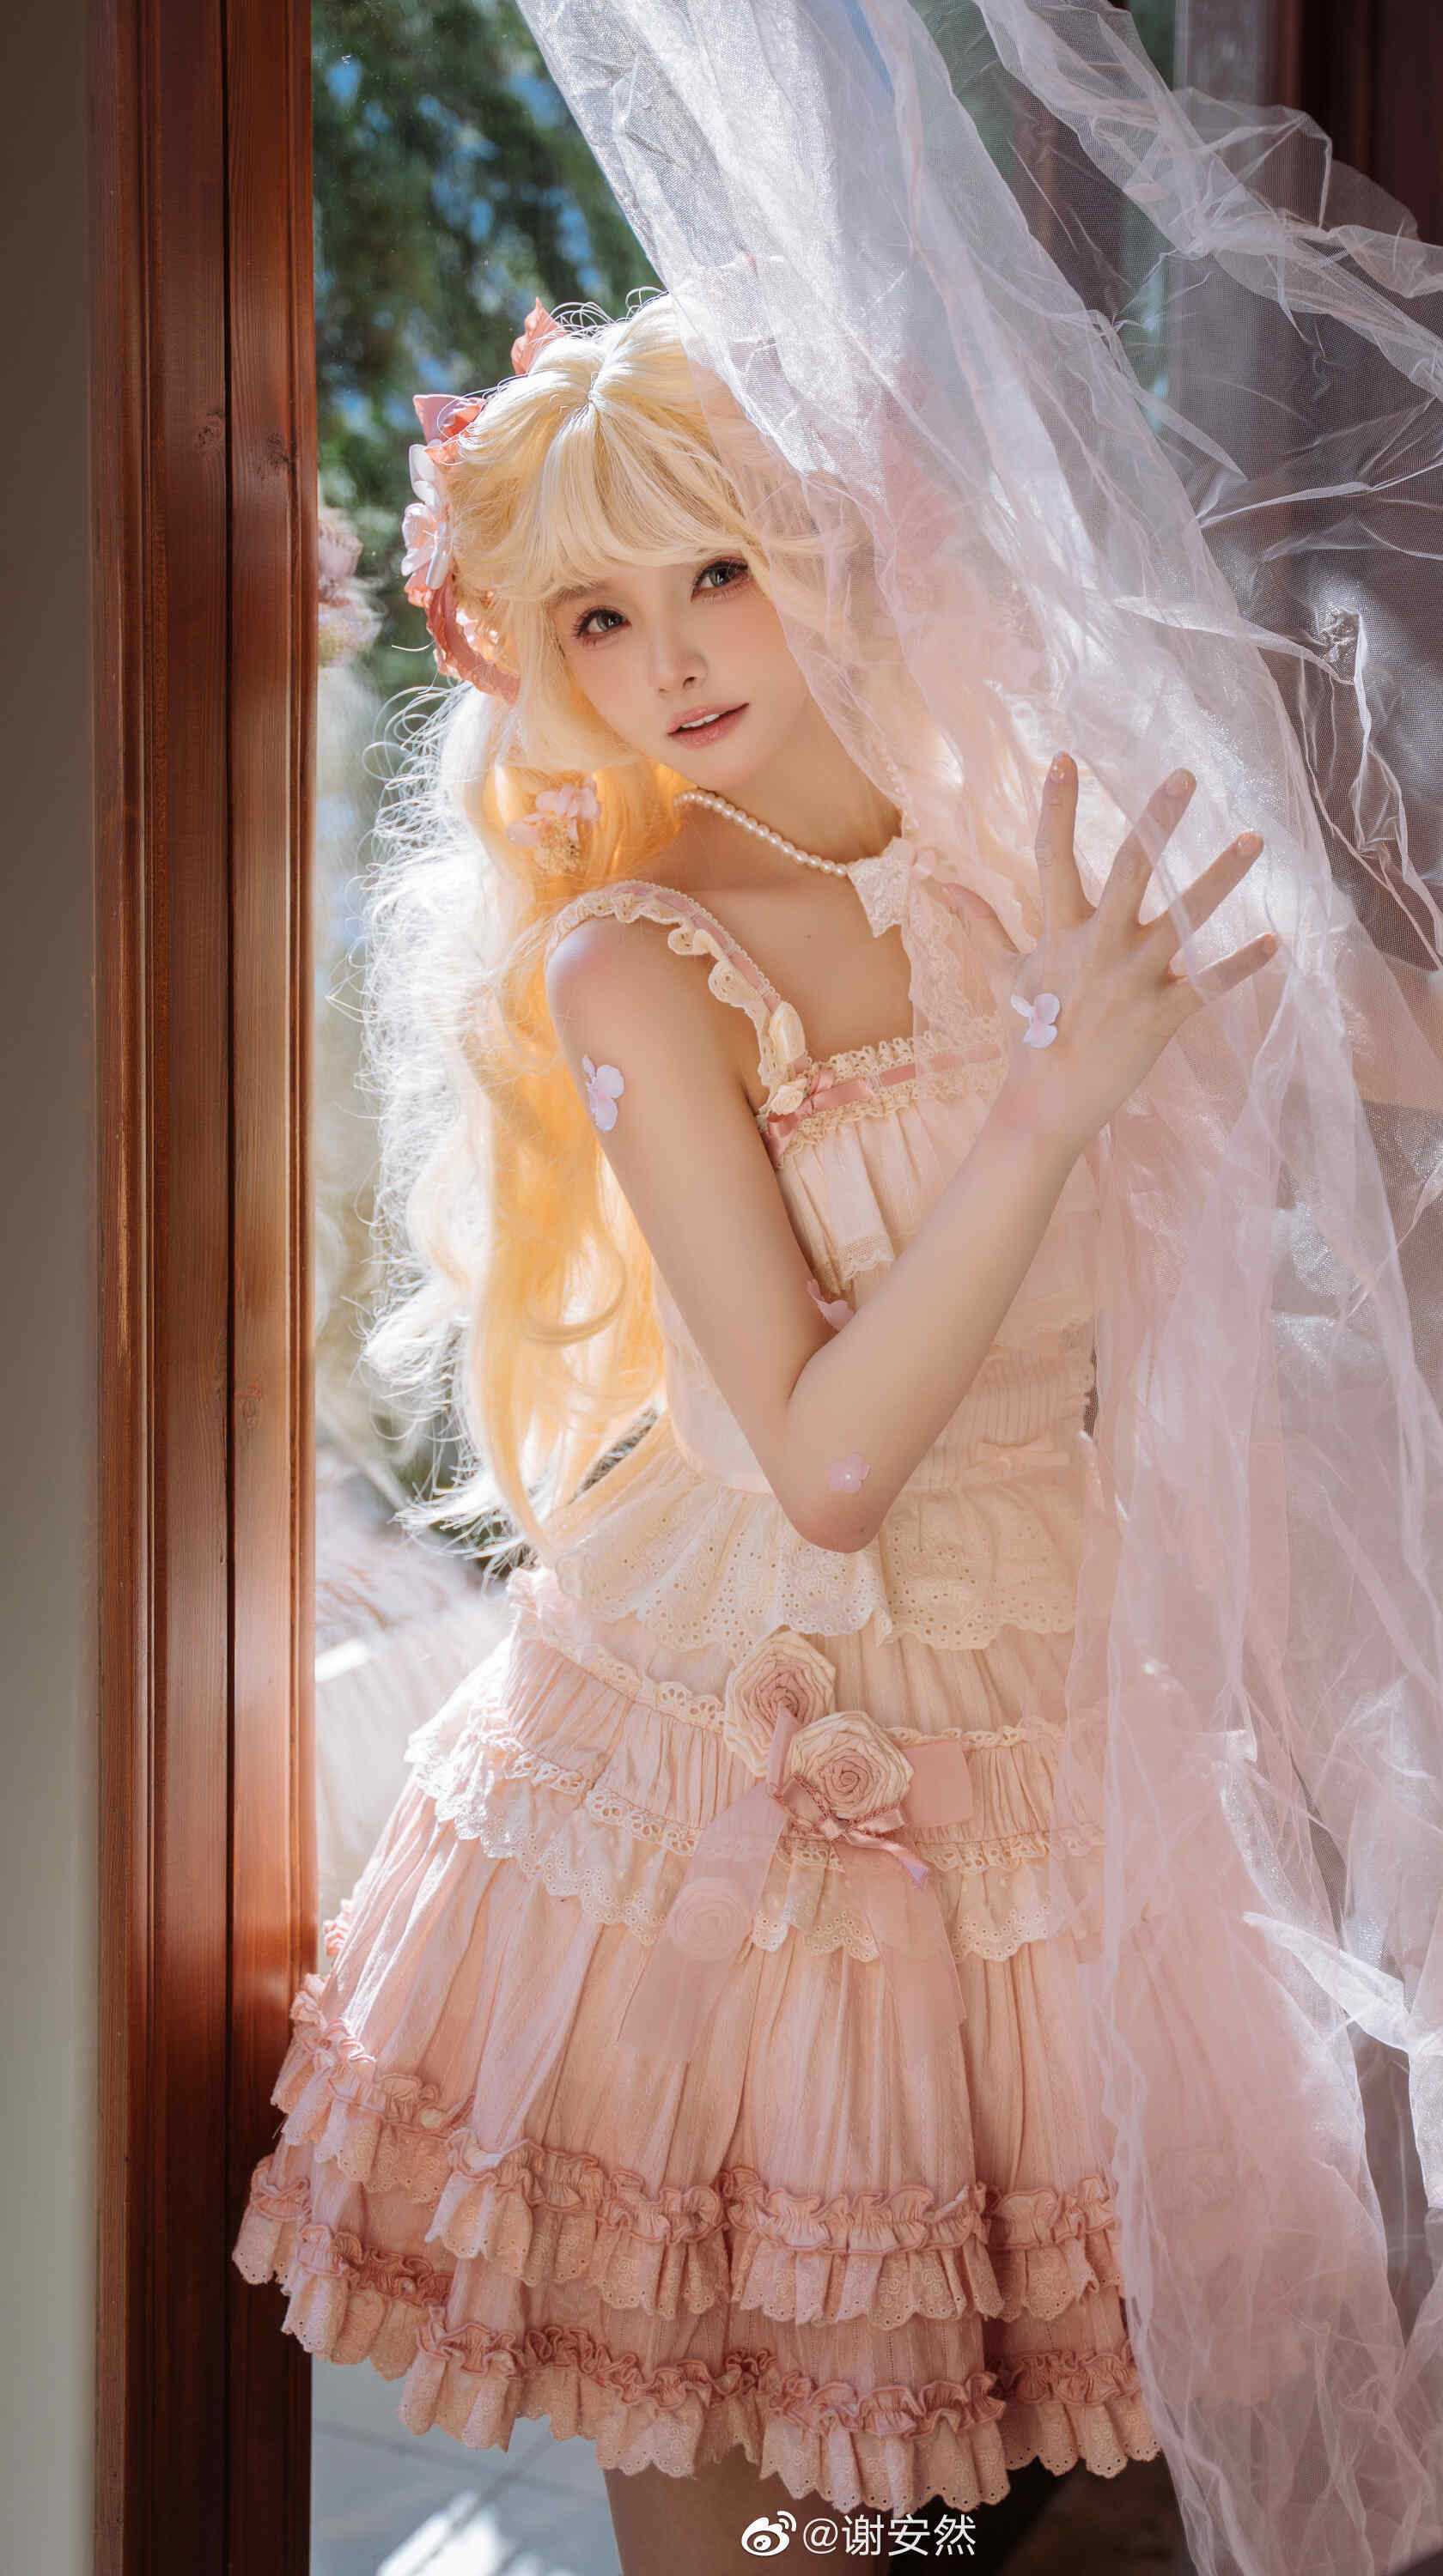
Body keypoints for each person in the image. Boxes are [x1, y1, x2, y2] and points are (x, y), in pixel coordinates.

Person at [233, 289, 1284, 2569]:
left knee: (1037, 2485)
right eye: (598, 615)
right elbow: (821, 1468)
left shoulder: (1025, 855)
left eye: (715, 566)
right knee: (741, 2508)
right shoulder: (632, 956)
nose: (675, 655)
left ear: (824, 546)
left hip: (1047, 1709)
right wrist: (1047, 1101)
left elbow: (1435, 1053)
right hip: (731, 1727)